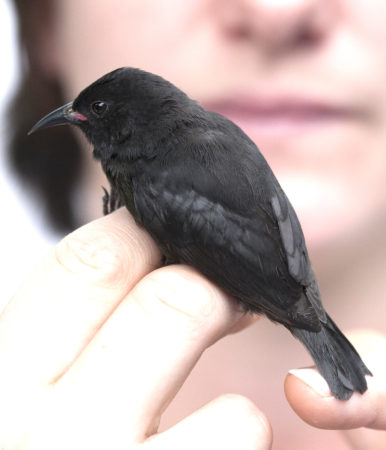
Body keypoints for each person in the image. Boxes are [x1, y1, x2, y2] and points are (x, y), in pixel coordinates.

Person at [3, 0, 386, 448]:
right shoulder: (212, 136)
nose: (277, 11)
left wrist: (299, 309)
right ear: (45, 23)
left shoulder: (159, 166)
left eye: (100, 108)